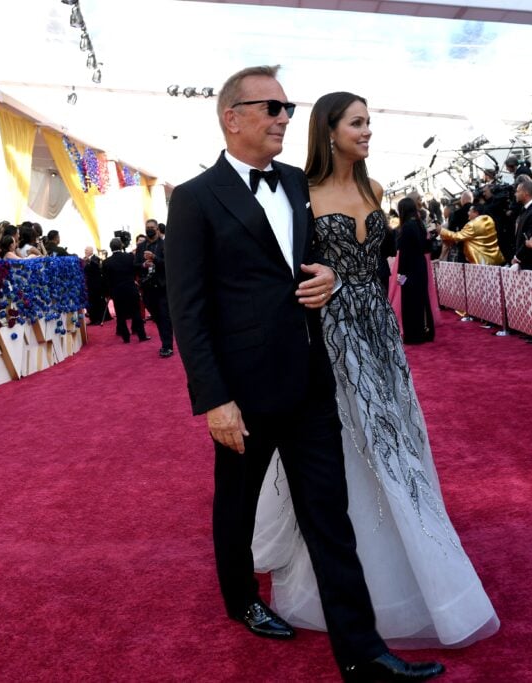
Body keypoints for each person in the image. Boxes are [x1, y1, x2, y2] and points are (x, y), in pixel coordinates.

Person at [165, 66, 444, 682]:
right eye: (271, 107)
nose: (285, 118)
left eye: (288, 107)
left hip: (312, 377)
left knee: (329, 514)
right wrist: (214, 399)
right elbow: (188, 310)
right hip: (243, 389)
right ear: (231, 117)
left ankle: (361, 650)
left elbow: (317, 261)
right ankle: (241, 599)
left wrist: (330, 279)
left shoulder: (297, 183)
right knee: (235, 506)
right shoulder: (194, 197)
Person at [253, 87, 498, 656]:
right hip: (330, 334)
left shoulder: (375, 188)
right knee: (348, 444)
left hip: (379, 331)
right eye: (358, 123)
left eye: (369, 122)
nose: (368, 131)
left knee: (395, 438)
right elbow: (286, 271)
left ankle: (415, 553)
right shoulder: (301, 195)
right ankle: (357, 577)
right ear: (330, 130)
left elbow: (373, 265)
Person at [392, 197, 435, 344]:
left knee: (410, 302)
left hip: (409, 269)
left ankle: (414, 335)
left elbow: (403, 254)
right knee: (422, 300)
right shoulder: (419, 224)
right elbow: (427, 247)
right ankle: (424, 331)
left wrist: (400, 276)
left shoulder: (407, 227)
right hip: (420, 267)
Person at [135, 218, 174, 358]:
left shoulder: (165, 245)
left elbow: (170, 264)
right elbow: (135, 265)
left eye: (152, 227)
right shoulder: (141, 247)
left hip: (162, 287)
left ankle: (167, 345)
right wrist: (143, 265)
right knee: (157, 317)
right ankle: (167, 336)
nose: (149, 229)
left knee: (164, 317)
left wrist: (155, 259)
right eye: (147, 227)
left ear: (157, 229)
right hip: (147, 288)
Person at [102, 238, 148, 343]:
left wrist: (109, 293)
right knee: (136, 312)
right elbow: (136, 270)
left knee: (120, 315)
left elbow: (106, 280)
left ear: (110, 247)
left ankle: (126, 337)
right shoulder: (130, 257)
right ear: (121, 246)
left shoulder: (106, 262)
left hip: (117, 291)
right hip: (130, 288)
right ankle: (141, 335)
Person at [439, 203, 505, 265]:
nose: (468, 213)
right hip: (494, 258)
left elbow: (458, 236)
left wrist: (441, 231)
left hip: (481, 261)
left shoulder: (472, 225)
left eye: (470, 211)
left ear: (476, 213)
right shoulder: (489, 220)